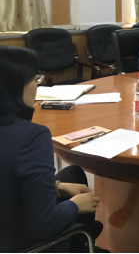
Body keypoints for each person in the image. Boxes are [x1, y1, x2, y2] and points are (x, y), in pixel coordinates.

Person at [0, 46, 103, 253]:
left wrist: (58, 187)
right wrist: (75, 205)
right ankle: (81, 240)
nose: (37, 86)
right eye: (35, 79)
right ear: (16, 86)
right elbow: (44, 225)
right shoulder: (31, 137)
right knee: (81, 207)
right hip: (23, 243)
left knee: (73, 174)